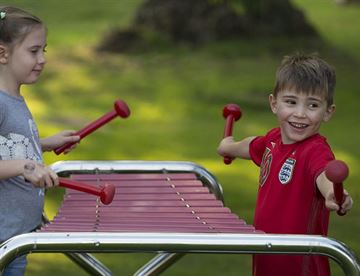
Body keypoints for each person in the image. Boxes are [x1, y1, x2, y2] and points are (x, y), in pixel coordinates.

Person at [217, 53, 353, 276]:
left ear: (328, 112)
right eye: (291, 102)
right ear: (274, 104)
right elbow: (253, 146)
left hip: (300, 266)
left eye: (313, 105)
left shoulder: (315, 150)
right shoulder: (273, 140)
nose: (300, 114)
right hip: (267, 256)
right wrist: (229, 146)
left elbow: (324, 173)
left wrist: (333, 193)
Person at [0, 6, 80, 275]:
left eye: (43, 50)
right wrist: (26, 167)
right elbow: (15, 162)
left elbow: (8, 145)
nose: (42, 59)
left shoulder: (14, 100)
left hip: (15, 236)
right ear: (3, 53)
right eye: (33, 51)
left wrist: (44, 143)